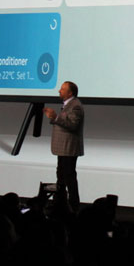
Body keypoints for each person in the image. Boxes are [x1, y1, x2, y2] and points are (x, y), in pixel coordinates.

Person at [43, 81, 84, 211]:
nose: (59, 91)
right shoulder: (68, 104)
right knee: (61, 175)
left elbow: (72, 125)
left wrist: (55, 117)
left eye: (62, 89)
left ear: (70, 93)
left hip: (69, 147)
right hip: (63, 147)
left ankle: (73, 205)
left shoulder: (75, 106)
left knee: (69, 177)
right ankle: (60, 203)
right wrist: (53, 117)